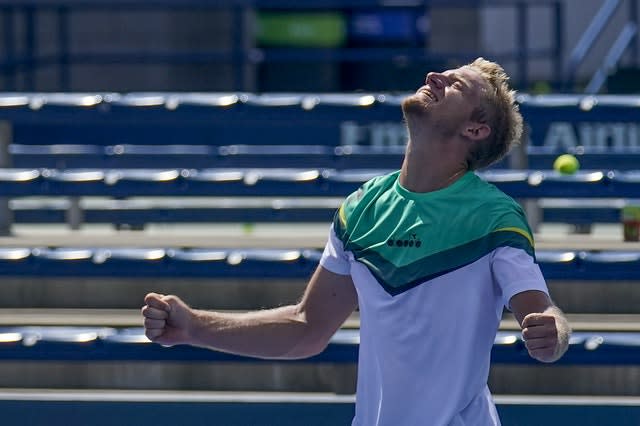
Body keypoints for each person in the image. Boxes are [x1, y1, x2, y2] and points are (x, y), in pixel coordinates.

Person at [142, 57, 571, 426]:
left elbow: (542, 311)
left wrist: (554, 334)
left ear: (476, 130)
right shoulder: (361, 207)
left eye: (456, 83)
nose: (435, 75)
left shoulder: (495, 216)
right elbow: (306, 328)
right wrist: (195, 325)